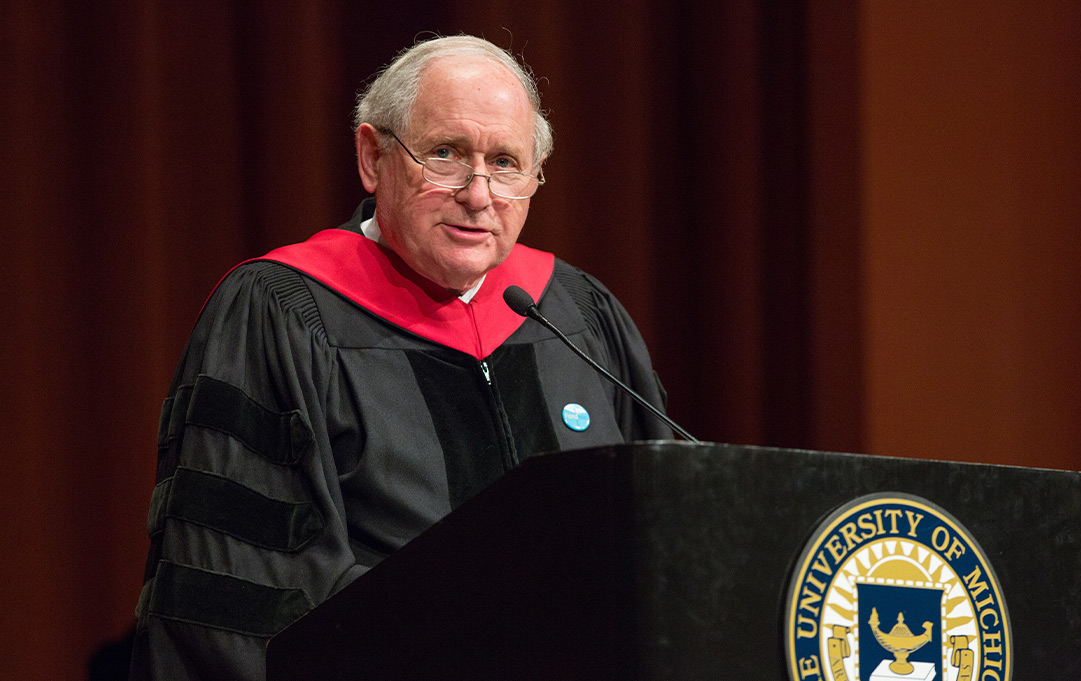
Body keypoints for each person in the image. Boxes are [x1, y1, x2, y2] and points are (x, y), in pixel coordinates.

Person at [129, 35, 673, 680]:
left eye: (505, 163)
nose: (479, 194)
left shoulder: (576, 314)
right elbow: (243, 587)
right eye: (445, 155)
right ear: (372, 157)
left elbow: (665, 542)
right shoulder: (280, 314)